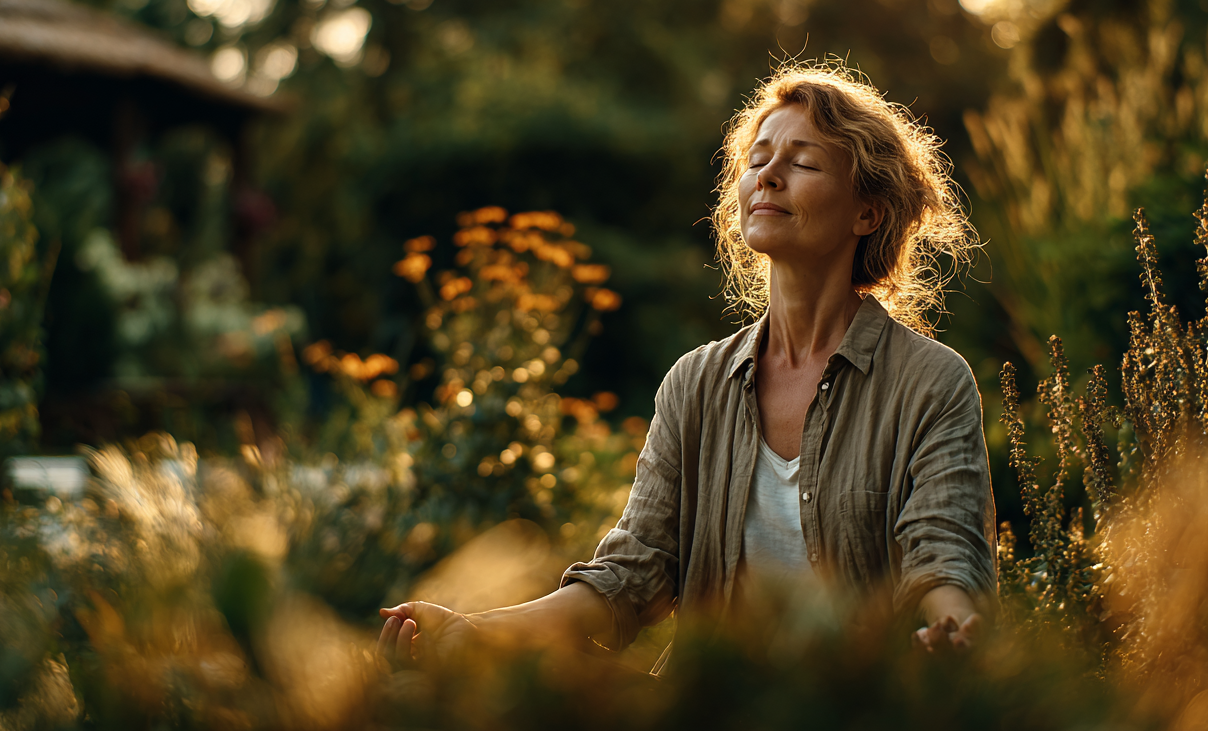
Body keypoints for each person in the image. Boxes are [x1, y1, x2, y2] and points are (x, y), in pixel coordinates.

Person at [378, 63, 996, 670]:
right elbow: (629, 577)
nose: (769, 177)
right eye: (757, 160)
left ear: (868, 213)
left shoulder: (930, 383)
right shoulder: (695, 384)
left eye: (803, 163)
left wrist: (949, 627)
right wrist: (473, 630)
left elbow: (943, 559)